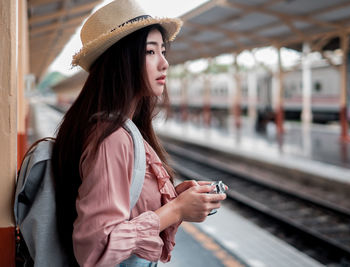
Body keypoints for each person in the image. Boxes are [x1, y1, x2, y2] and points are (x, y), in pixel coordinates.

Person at [51, 0, 227, 266]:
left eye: (163, 51)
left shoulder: (116, 128)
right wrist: (175, 209)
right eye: (150, 52)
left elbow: (124, 206)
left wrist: (173, 198)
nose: (164, 63)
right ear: (120, 59)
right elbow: (94, 250)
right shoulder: (111, 138)